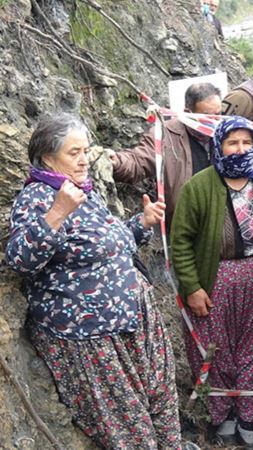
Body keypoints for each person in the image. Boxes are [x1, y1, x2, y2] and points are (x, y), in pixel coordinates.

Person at [6, 114, 182, 448]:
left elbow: (105, 244)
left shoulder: (83, 192)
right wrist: (57, 212)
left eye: (86, 150)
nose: (84, 159)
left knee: (160, 404)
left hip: (133, 318)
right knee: (130, 429)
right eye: (74, 153)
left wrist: (141, 223)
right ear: (47, 157)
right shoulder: (39, 199)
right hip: (89, 335)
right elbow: (20, 259)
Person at [171, 116, 253, 447]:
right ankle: (222, 417)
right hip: (215, 280)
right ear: (218, 146)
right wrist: (192, 286)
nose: (240, 149)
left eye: (247, 142)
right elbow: (181, 241)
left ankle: (249, 419)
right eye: (233, 143)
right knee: (214, 349)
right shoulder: (199, 186)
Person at [111, 82, 222, 230]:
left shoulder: (227, 132)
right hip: (186, 226)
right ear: (187, 112)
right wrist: (116, 161)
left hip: (220, 220)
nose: (214, 121)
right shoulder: (165, 135)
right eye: (207, 116)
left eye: (218, 114)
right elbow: (138, 161)